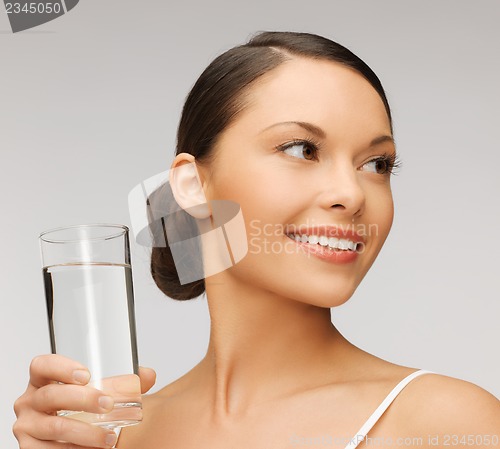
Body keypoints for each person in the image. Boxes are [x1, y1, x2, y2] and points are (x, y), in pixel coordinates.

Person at [13, 31, 499, 449]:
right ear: (193, 185)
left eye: (378, 165)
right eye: (302, 149)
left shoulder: (445, 423)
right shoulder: (116, 433)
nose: (351, 195)